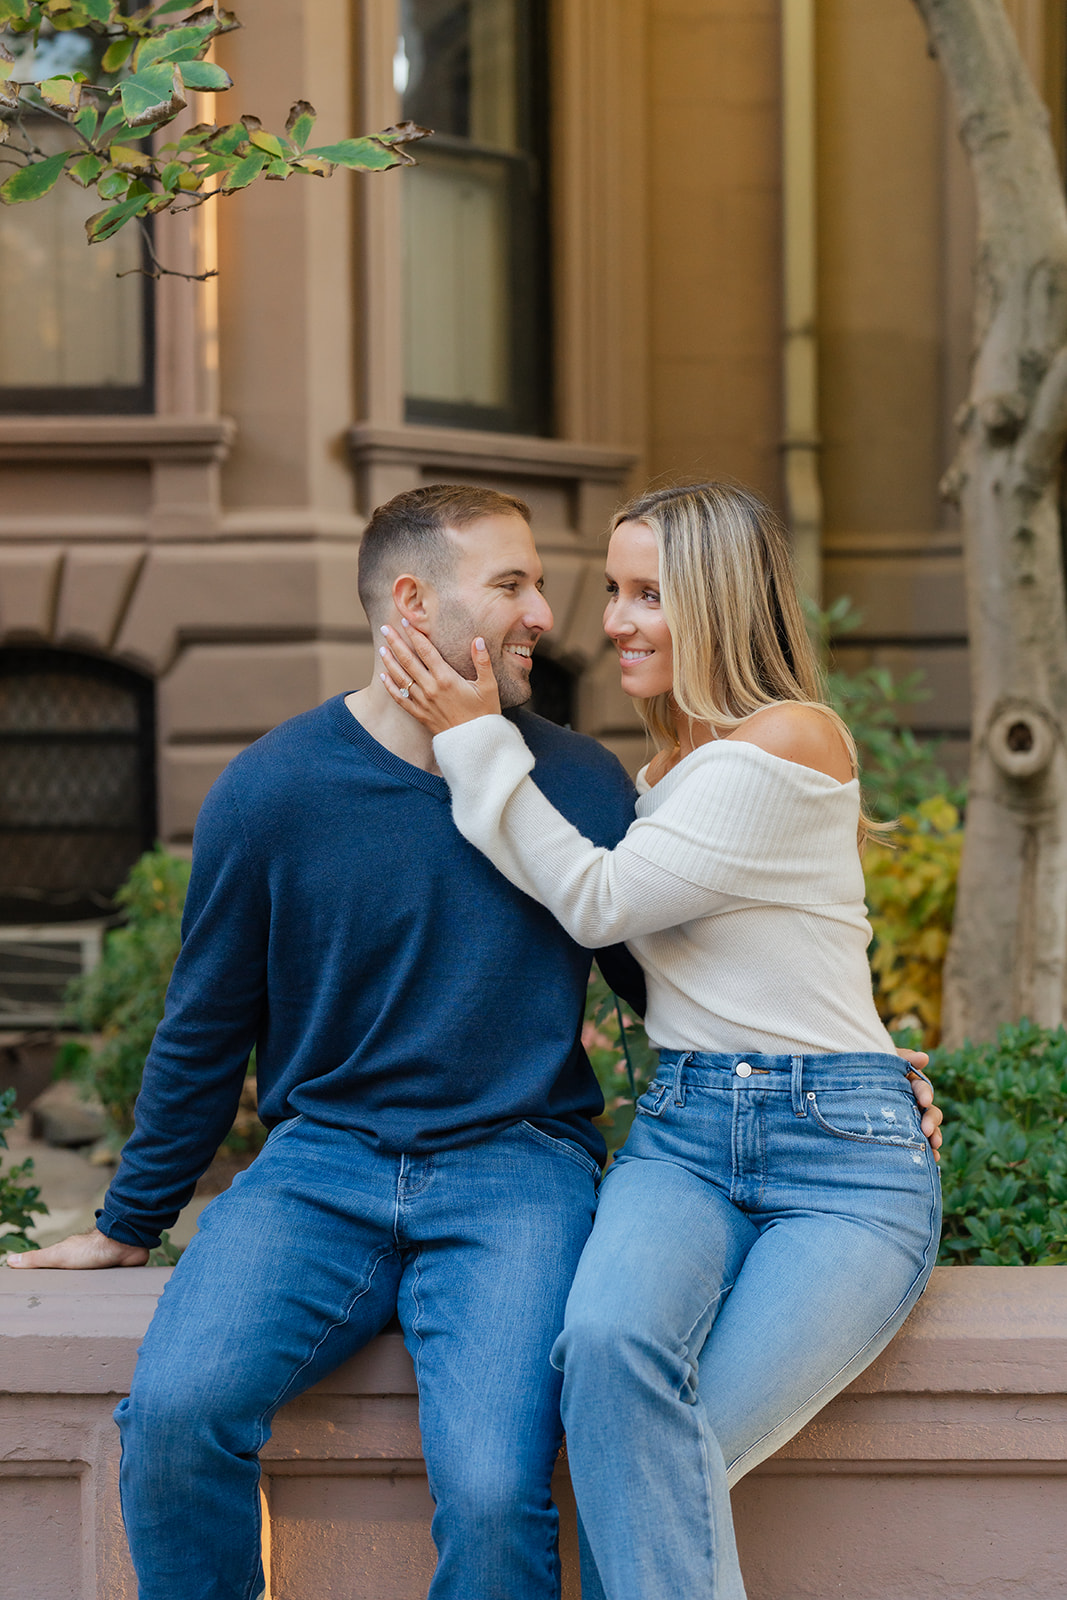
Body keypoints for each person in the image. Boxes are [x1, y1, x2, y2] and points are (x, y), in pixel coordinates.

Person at [4, 484, 651, 1600]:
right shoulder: (273, 789)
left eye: (539, 583)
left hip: (517, 1171)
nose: (547, 613)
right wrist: (128, 1222)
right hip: (320, 1168)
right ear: (411, 602)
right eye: (511, 584)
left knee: (499, 1495)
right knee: (170, 1420)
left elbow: (672, 989)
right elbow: (206, 1023)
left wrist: (841, 1076)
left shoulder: (581, 783)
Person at [377, 479, 944, 1600]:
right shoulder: (666, 775)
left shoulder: (784, 742)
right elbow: (672, 961)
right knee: (600, 1355)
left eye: (648, 595)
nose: (613, 621)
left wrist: (472, 739)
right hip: (684, 1136)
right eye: (613, 591)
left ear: (721, 603)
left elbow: (593, 903)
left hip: (840, 1160)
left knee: (650, 1457)